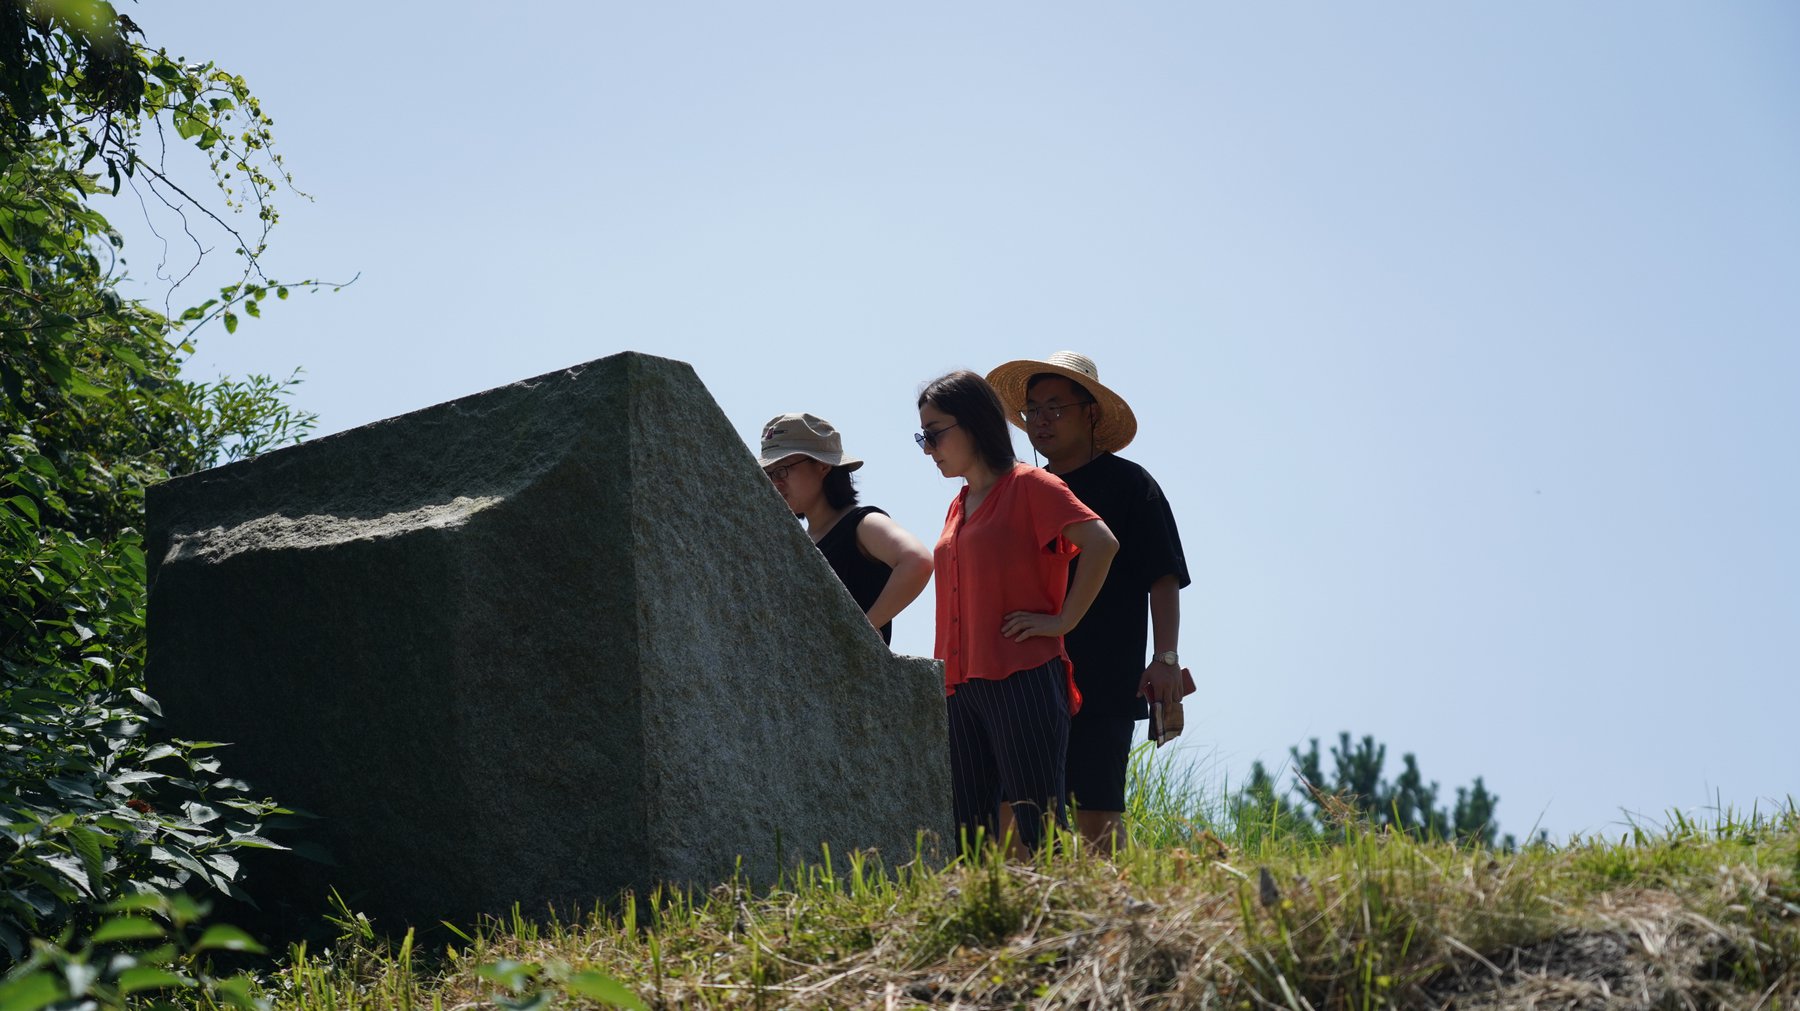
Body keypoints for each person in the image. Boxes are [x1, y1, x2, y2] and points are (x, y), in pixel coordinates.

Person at [986, 351, 1190, 853]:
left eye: (1056, 407)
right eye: (1033, 410)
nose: (1041, 421)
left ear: (1091, 412)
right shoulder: (1020, 489)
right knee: (1014, 814)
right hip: (1026, 671)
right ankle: (1026, 924)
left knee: (1098, 812)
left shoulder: (1130, 485)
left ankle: (1125, 922)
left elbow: (1162, 578)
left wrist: (1166, 660)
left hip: (1105, 671)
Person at [916, 371, 1118, 855]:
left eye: (936, 432)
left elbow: (1102, 543)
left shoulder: (1031, 485)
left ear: (976, 423)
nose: (929, 448)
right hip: (959, 685)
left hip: (1024, 675)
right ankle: (986, 925)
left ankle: (1061, 924)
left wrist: (1063, 621)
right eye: (923, 436)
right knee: (968, 834)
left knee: (1038, 826)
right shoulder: (957, 504)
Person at [758, 412, 932, 644]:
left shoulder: (863, 523)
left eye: (782, 469)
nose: (775, 482)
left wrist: (863, 629)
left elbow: (917, 561)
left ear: (822, 465)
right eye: (768, 473)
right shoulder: (796, 543)